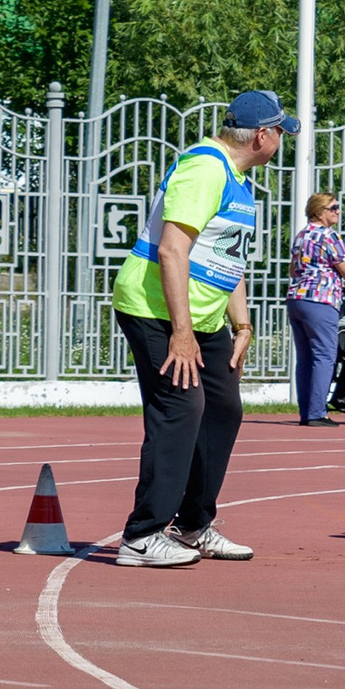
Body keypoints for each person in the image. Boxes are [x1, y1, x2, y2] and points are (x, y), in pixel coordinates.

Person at [110, 90, 292, 567]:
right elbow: (172, 251)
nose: (282, 141)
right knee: (181, 407)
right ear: (261, 136)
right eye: (280, 132)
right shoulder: (205, 168)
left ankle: (192, 526)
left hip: (204, 317)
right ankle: (142, 535)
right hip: (157, 311)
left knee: (223, 410)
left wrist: (242, 323)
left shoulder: (237, 179)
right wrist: (182, 333)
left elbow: (226, 257)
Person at [288, 190, 345, 427]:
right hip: (320, 300)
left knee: (305, 358)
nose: (337, 212)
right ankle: (316, 413)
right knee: (324, 356)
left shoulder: (301, 236)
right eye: (332, 208)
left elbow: (293, 270)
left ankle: (307, 411)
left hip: (296, 299)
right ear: (319, 212)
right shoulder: (329, 236)